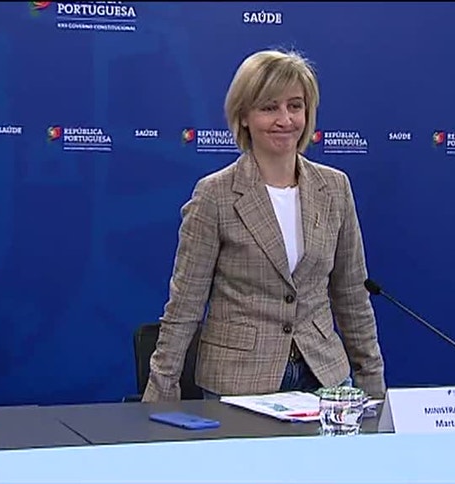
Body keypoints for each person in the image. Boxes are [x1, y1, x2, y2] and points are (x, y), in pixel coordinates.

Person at [141, 48, 386, 402]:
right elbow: (185, 304)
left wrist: (373, 386)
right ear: (243, 116)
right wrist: (160, 391)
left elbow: (352, 295)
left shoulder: (335, 188)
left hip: (324, 377)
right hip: (239, 381)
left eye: (295, 106)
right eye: (269, 108)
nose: (285, 119)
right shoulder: (215, 195)